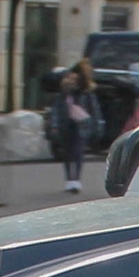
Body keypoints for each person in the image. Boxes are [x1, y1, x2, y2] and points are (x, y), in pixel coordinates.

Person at [52, 56, 102, 194]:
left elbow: (94, 110)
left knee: (78, 152)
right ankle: (69, 180)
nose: (72, 81)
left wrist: (97, 125)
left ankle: (76, 180)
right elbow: (56, 110)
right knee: (67, 154)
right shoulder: (63, 93)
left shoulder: (85, 93)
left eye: (75, 79)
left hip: (81, 126)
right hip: (66, 125)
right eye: (70, 78)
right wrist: (54, 125)